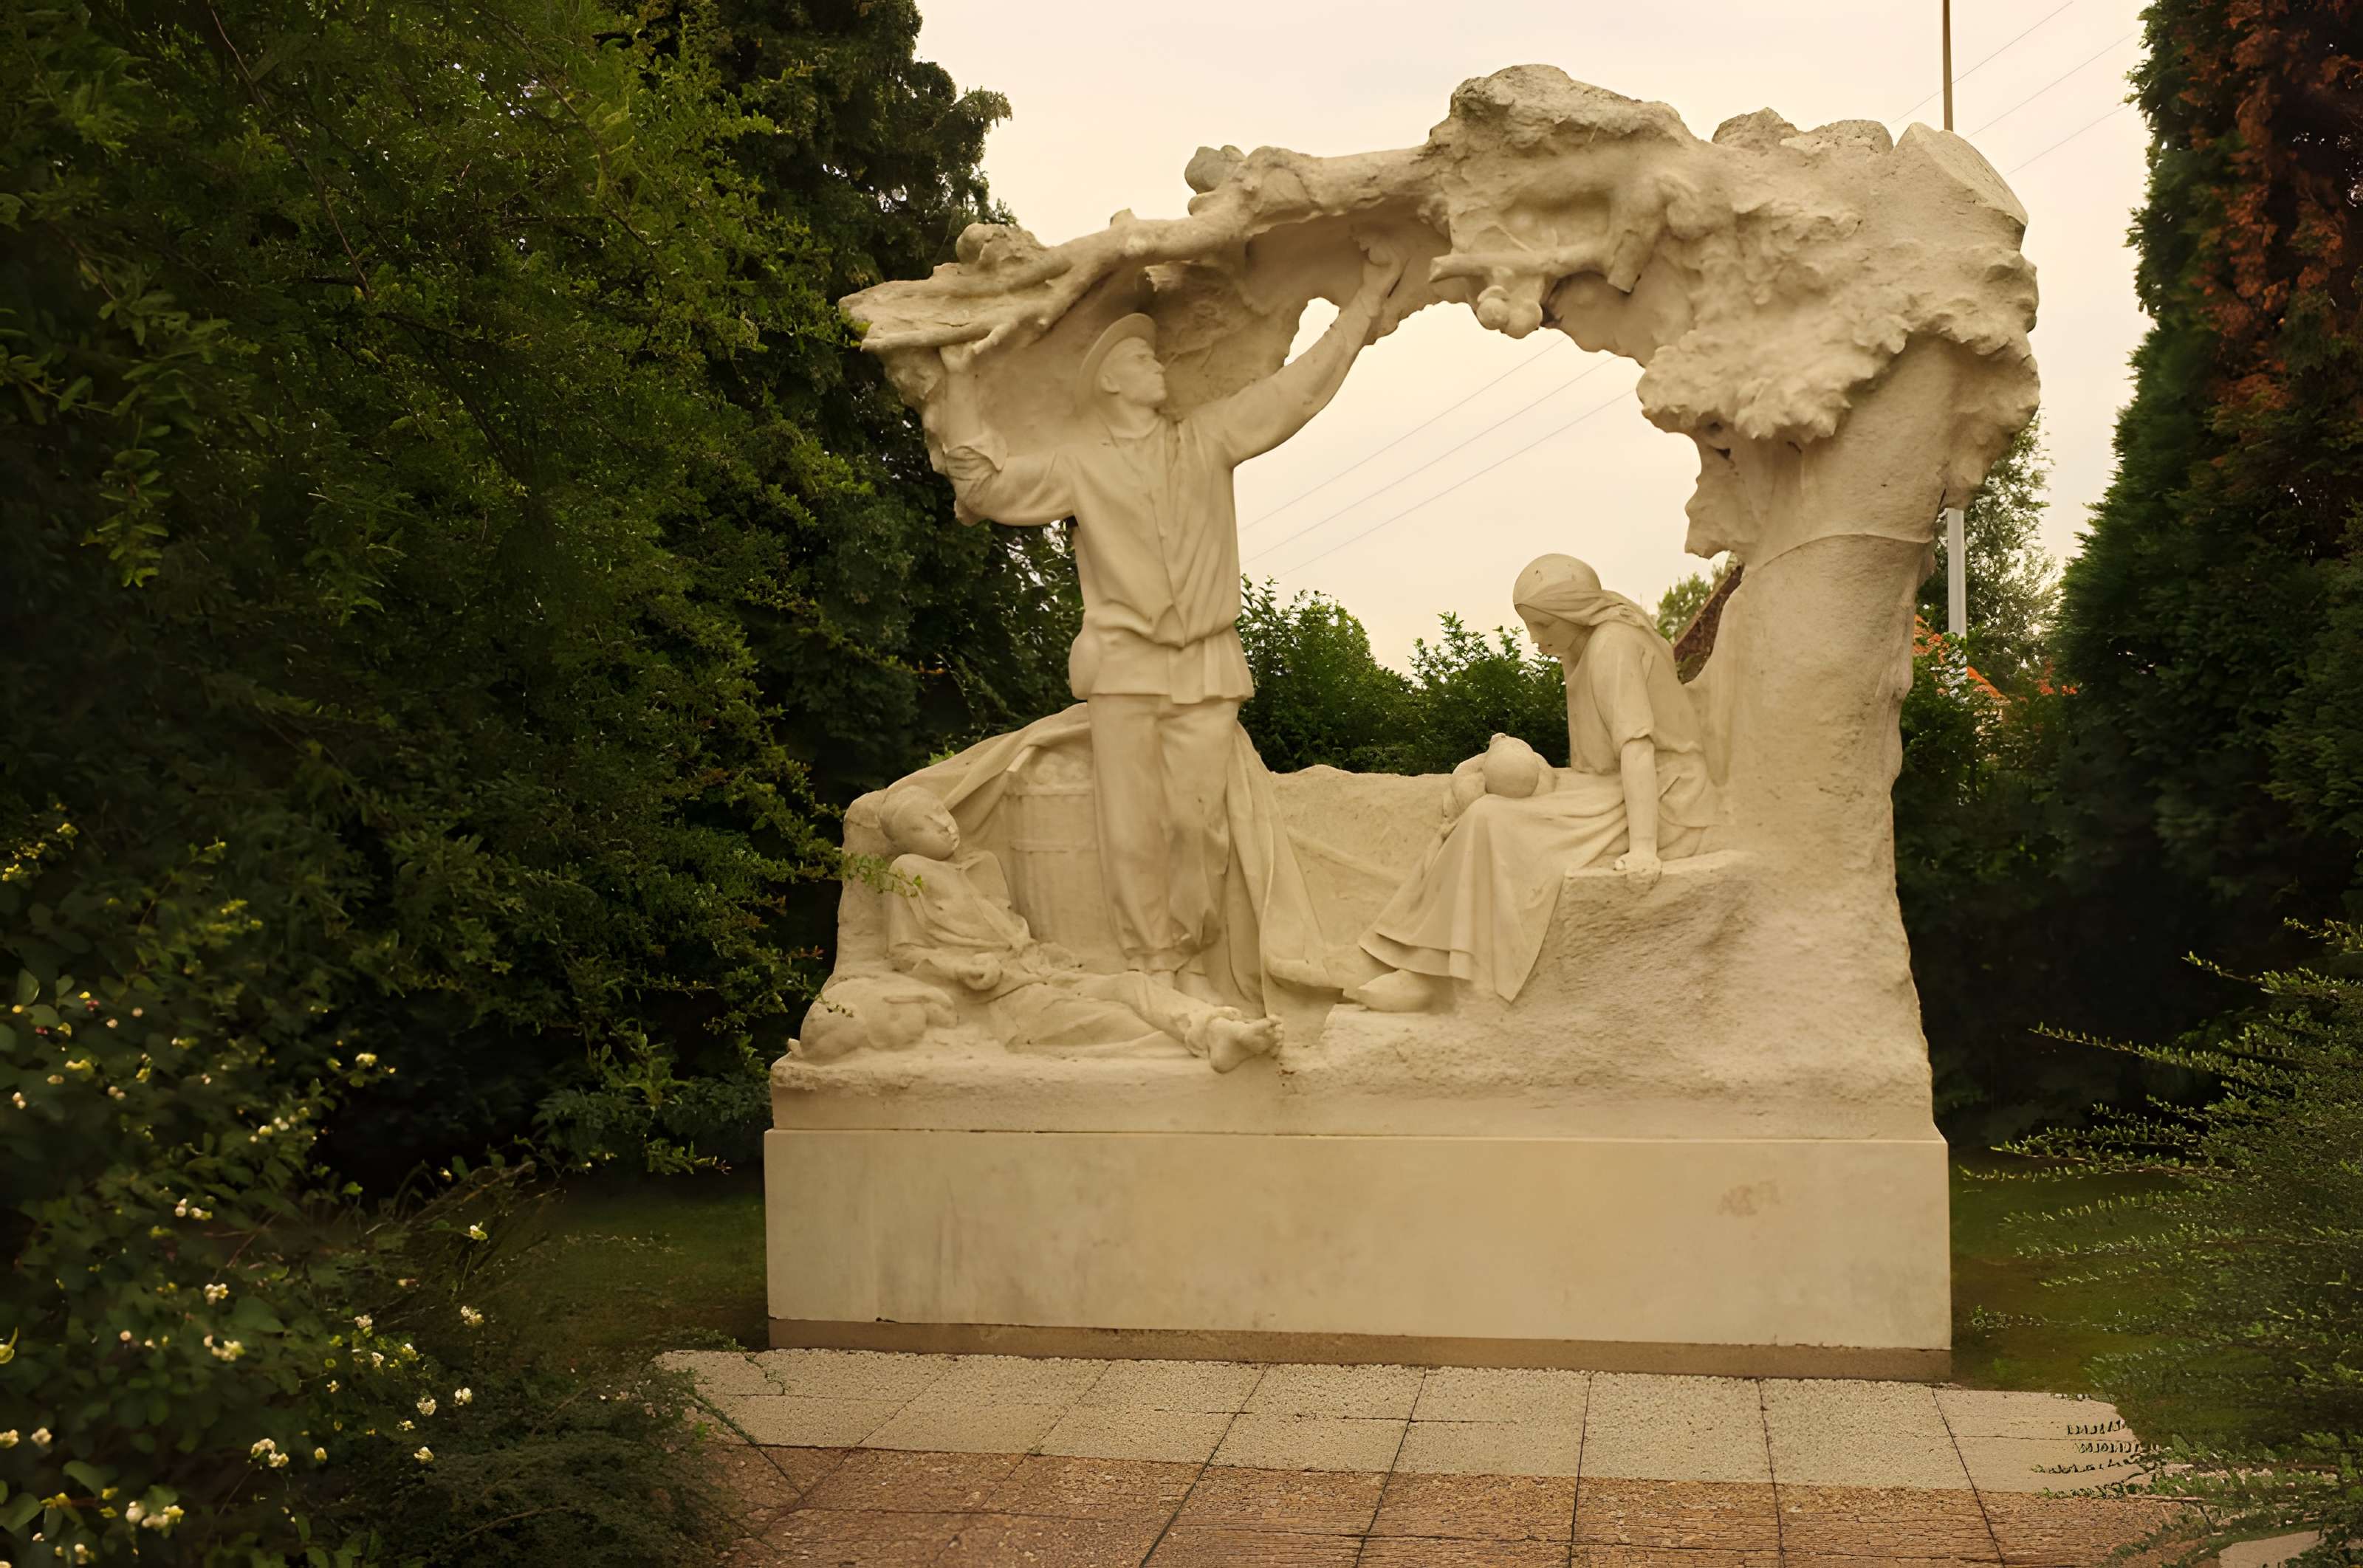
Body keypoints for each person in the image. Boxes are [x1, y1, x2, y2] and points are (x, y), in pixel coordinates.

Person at [935, 242, 1405, 993]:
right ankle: (1155, 965)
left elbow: (1297, 393)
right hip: (1123, 663)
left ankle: (1191, 944)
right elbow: (985, 487)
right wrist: (959, 381)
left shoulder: (1206, 438)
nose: (1158, 367)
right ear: (1113, 383)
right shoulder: (1079, 464)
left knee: (1196, 825)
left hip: (1204, 659)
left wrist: (1363, 306)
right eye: (1142, 361)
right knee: (1130, 828)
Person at [1351, 554, 1718, 1011]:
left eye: (1543, 626)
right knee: (1479, 806)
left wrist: (1645, 847)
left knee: (1490, 818)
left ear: (1574, 612)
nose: (1536, 640)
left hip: (1664, 798)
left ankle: (1430, 973)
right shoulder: (1582, 652)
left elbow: (1638, 749)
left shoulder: (1611, 645)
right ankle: (1411, 954)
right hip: (1616, 784)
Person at [875, 781, 1281, 1072]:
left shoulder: (984, 865)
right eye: (923, 825)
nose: (944, 824)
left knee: (1132, 985)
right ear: (905, 843)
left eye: (941, 812)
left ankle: (1218, 1027)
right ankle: (1210, 1040)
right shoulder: (908, 872)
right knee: (1113, 1022)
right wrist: (960, 969)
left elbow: (1009, 926)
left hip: (1044, 972)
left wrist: (1047, 954)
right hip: (1004, 999)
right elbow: (904, 954)